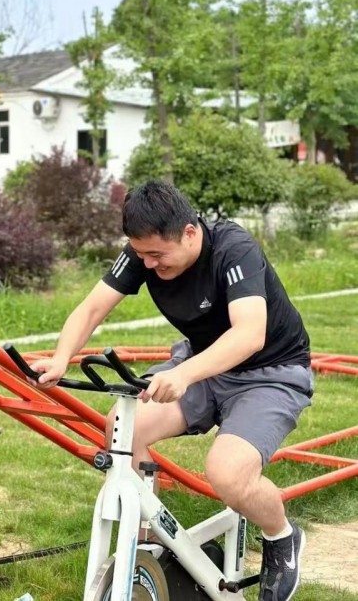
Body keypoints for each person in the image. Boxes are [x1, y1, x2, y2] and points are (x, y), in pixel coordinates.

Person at [31, 179, 312, 601]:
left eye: (156, 255)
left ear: (190, 233)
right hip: (202, 363)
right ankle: (153, 545)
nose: (146, 265)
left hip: (270, 371)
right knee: (124, 430)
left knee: (227, 474)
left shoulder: (234, 249)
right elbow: (92, 307)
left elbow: (250, 334)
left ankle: (281, 537)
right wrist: (61, 356)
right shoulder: (142, 254)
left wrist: (183, 376)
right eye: (140, 253)